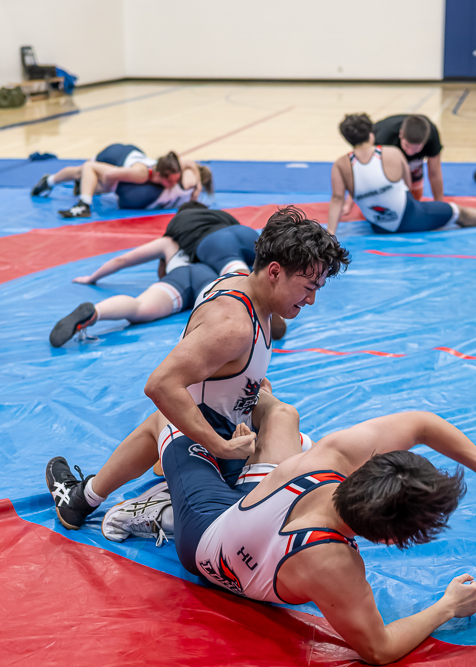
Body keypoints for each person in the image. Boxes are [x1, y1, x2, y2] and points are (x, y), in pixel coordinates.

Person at [99, 391, 476, 665]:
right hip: (203, 536)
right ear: (389, 540)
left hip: (247, 524)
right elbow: (379, 650)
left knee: (277, 421)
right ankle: (98, 500)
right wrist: (447, 606)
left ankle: (228, 458)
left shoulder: (331, 457)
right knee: (189, 416)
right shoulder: (336, 564)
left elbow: (420, 423)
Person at [44, 206, 350, 526]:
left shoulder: (243, 288)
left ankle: (86, 497)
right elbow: (160, 384)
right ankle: (140, 496)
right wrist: (220, 446)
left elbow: (219, 370)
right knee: (301, 479)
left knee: (305, 439)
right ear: (274, 272)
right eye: (309, 288)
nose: (311, 300)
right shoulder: (232, 324)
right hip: (215, 441)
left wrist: (252, 384)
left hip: (228, 422)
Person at [49, 203, 271, 347]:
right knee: (235, 297)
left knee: (139, 307)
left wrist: (92, 277)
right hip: (208, 275)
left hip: (180, 276)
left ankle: (96, 312)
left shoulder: (169, 241)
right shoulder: (217, 231)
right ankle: (260, 318)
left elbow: (123, 260)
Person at [328, 114, 476, 235]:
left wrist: (331, 233)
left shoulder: (340, 165)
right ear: (372, 135)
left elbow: (338, 198)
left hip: (378, 226)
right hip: (408, 217)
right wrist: (438, 206)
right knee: (458, 212)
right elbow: (407, 188)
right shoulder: (392, 152)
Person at [31, 143, 213, 218]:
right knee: (83, 171)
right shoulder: (140, 174)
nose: (173, 185)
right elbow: (109, 176)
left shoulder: (171, 167)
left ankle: (77, 186)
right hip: (114, 155)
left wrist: (197, 188)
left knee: (89, 179)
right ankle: (53, 182)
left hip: (132, 154)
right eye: (171, 182)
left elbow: (189, 163)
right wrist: (102, 189)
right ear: (159, 175)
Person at [372, 114, 445, 201]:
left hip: (413, 162)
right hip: (388, 158)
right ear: (401, 134)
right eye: (407, 145)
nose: (410, 152)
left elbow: (434, 173)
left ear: (425, 142)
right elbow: (371, 171)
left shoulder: (432, 136)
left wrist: (440, 202)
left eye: (415, 149)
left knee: (415, 197)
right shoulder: (383, 137)